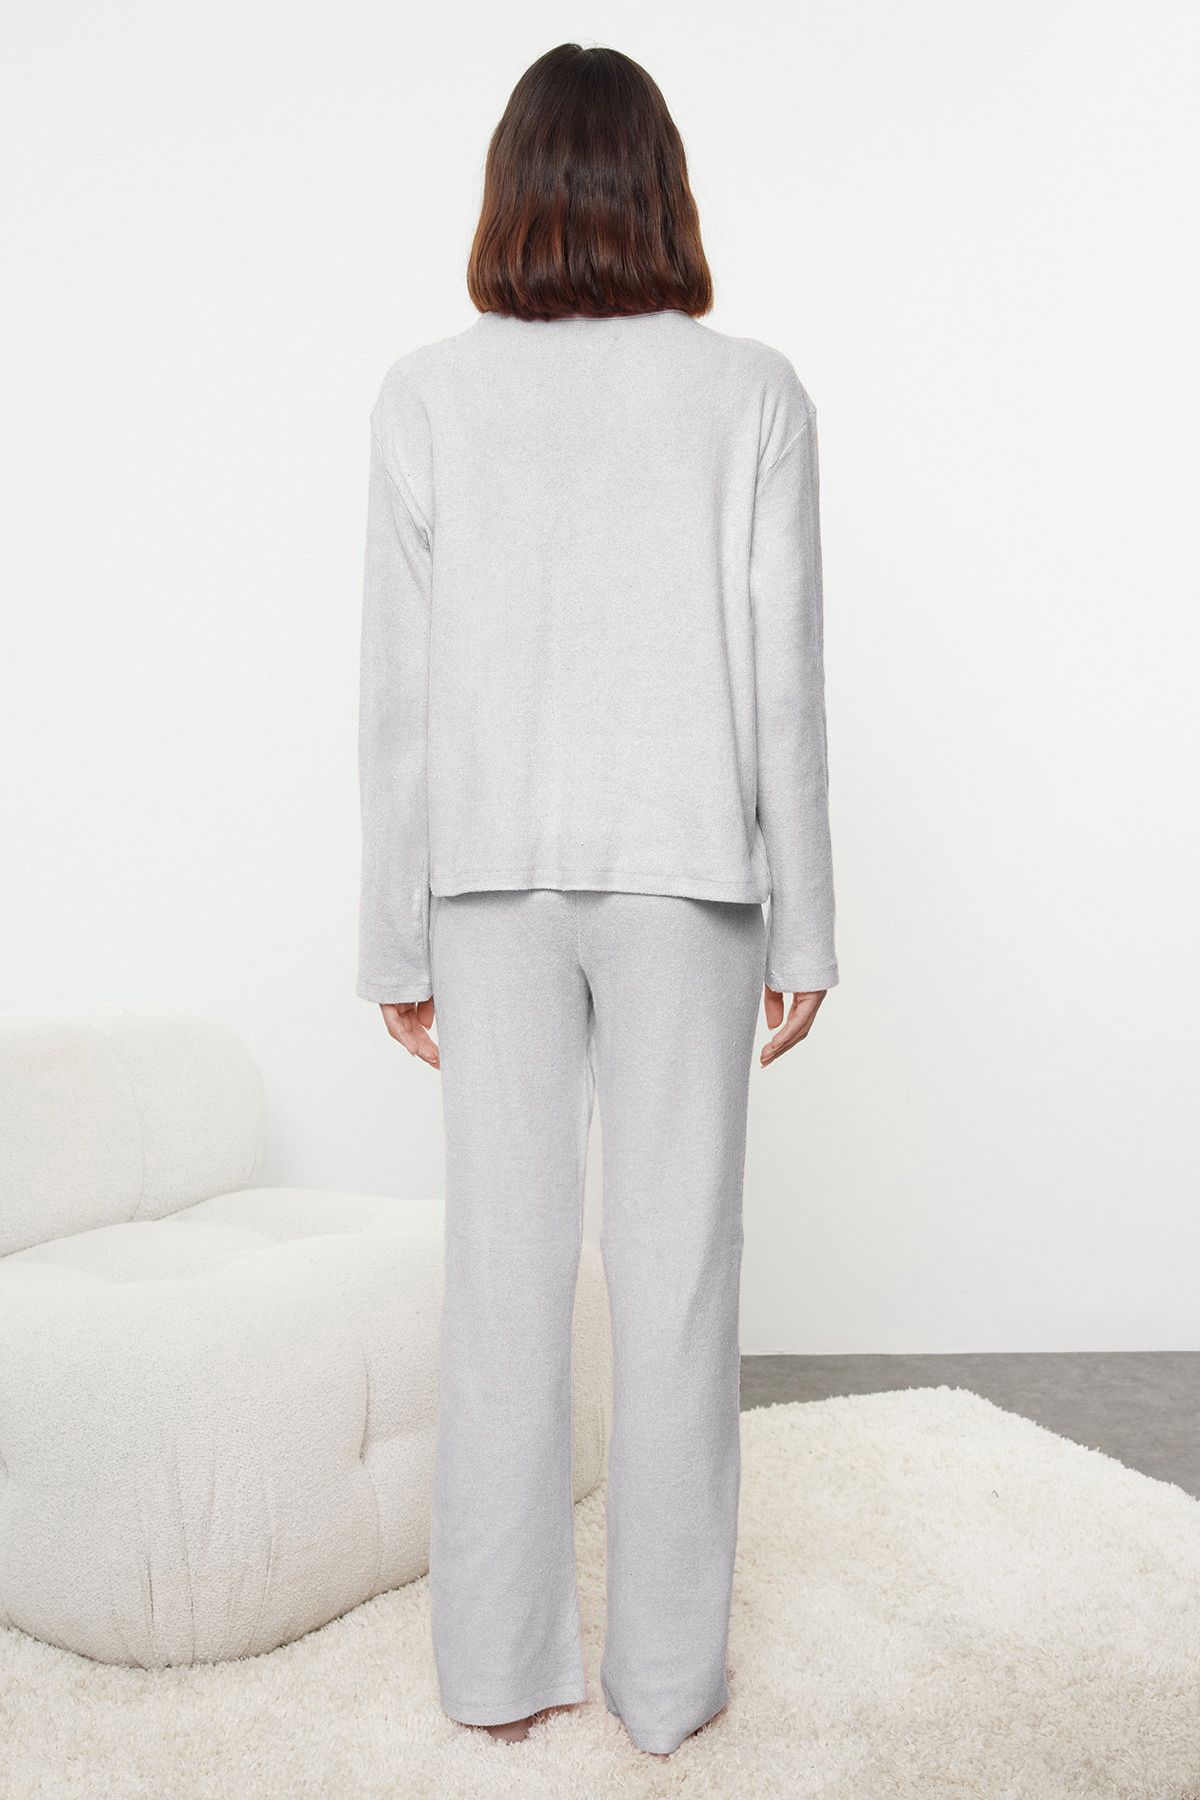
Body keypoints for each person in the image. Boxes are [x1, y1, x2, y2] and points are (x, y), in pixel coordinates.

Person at [356, 40, 838, 1759]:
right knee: (676, 1279)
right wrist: (809, 922)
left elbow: (398, 697)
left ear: (514, 191)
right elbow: (787, 681)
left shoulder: (426, 396)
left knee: (501, 1280)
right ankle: (667, 1687)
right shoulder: (751, 392)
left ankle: (495, 1677)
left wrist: (392, 936)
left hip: (487, 882)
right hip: (690, 875)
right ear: (661, 190)